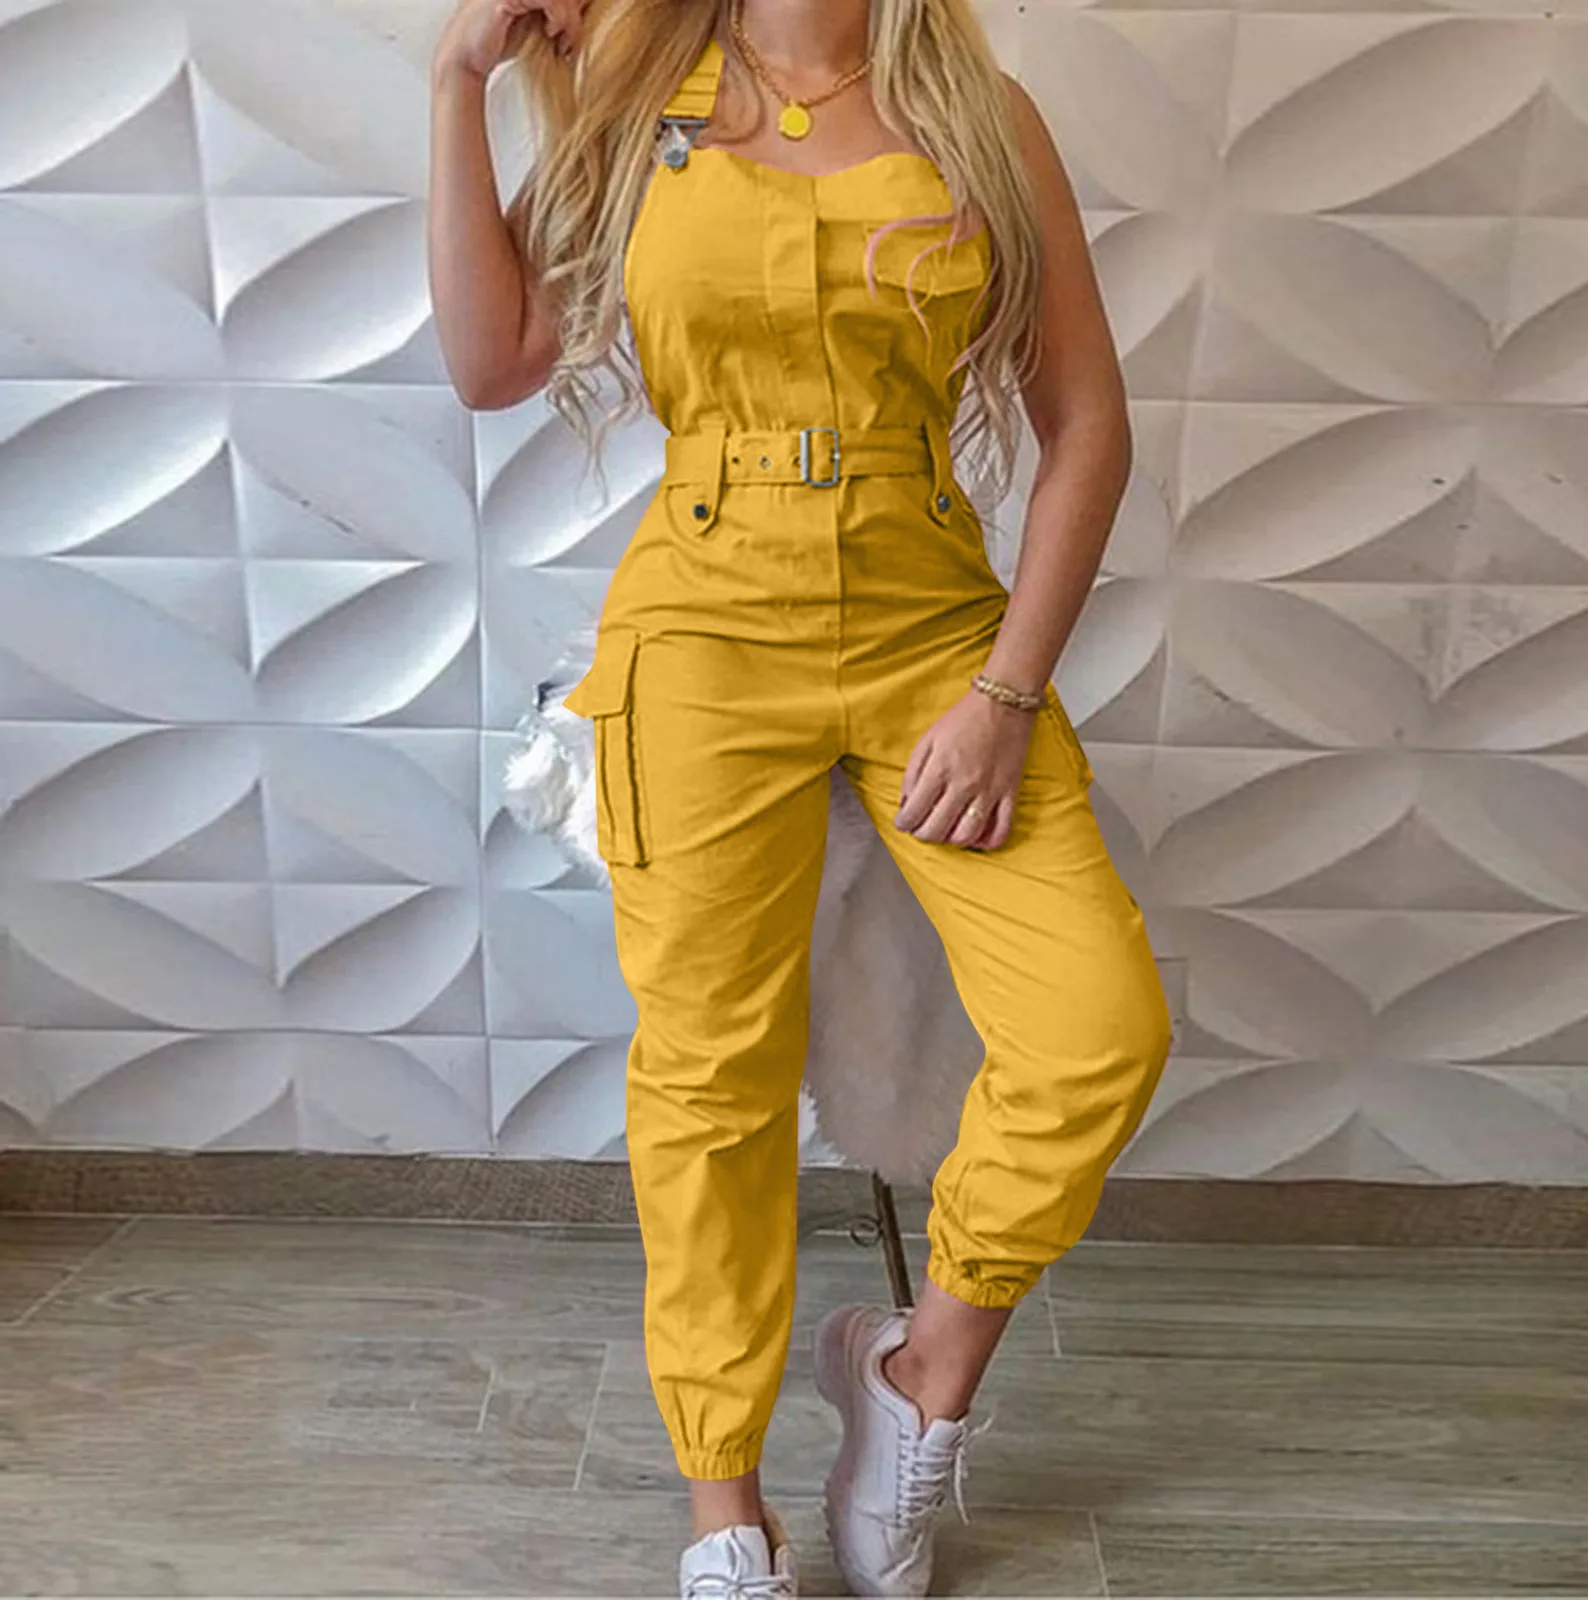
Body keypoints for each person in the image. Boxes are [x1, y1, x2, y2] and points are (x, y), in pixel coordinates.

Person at [428, 0, 1172, 1593]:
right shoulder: (636, 97)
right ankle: (727, 1515)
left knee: (1097, 1028)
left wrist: (1005, 696)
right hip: (705, 619)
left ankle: (917, 1375)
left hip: (935, 626)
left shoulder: (981, 114)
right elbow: (494, 363)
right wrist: (456, 83)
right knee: (712, 1081)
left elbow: (1088, 426)